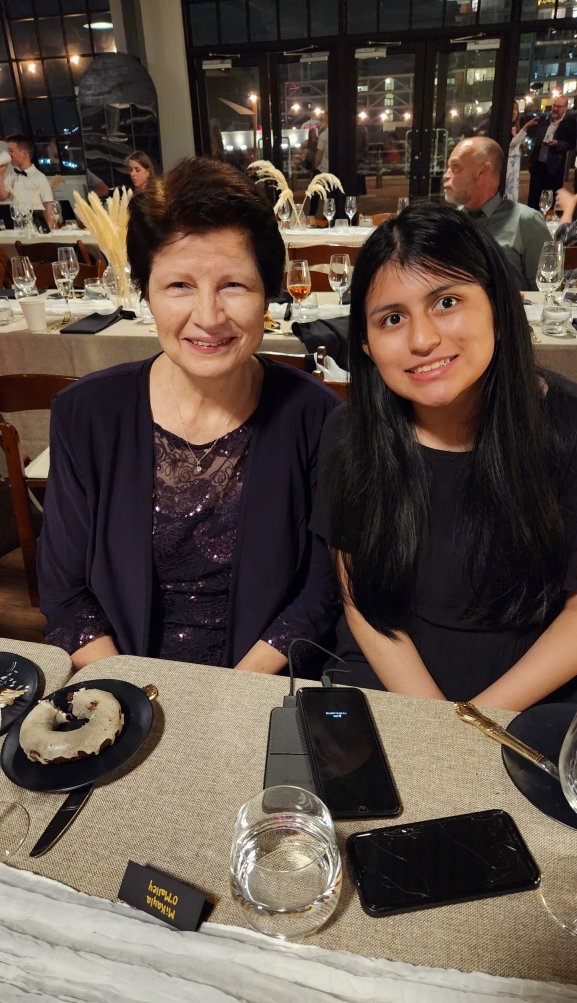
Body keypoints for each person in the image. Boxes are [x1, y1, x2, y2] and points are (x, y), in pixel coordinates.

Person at [38, 157, 340, 673]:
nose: (208, 317)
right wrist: (130, 690)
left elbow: (322, 591)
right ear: (146, 293)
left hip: (262, 683)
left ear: (268, 292)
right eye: (179, 285)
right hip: (123, 681)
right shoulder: (87, 414)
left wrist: (229, 694)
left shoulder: (317, 416)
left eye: (234, 285)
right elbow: (64, 593)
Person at [313, 202, 577, 711]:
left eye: (447, 302)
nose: (423, 340)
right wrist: (433, 719)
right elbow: (360, 598)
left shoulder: (567, 428)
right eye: (392, 318)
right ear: (365, 343)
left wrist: (474, 722)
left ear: (497, 305)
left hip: (536, 690)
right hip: (388, 677)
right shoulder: (350, 433)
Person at [443, 136, 549, 290]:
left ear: (482, 171)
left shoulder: (526, 220)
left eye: (455, 167)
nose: (446, 175)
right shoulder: (452, 222)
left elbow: (546, 291)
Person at [526, 94, 576, 210]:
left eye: (559, 106)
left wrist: (558, 143)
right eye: (554, 105)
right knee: (533, 199)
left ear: (565, 108)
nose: (555, 108)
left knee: (548, 202)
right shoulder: (545, 120)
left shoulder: (570, 123)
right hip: (538, 166)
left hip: (553, 169)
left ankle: (545, 220)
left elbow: (572, 144)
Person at [0, 134, 56, 229]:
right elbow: (2, 196)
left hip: (36, 222)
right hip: (18, 221)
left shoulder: (39, 176)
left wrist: (50, 226)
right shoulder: (11, 175)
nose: (9, 155)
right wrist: (0, 174)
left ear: (24, 155)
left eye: (11, 151)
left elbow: (48, 203)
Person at [505, 100, 537, 202]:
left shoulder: (516, 126)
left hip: (515, 163)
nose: (514, 112)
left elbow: (517, 145)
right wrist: (526, 127)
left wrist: (522, 147)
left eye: (516, 109)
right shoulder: (504, 127)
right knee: (507, 189)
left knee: (514, 190)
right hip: (507, 163)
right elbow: (511, 144)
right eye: (511, 109)